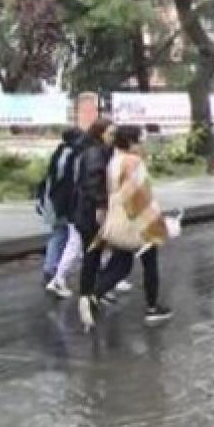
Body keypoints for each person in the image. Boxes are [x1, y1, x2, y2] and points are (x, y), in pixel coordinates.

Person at [83, 125, 174, 327]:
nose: (142, 145)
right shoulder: (133, 162)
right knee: (150, 263)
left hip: (118, 219)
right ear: (131, 142)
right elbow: (140, 195)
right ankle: (152, 308)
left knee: (121, 263)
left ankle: (94, 295)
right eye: (139, 141)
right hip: (138, 221)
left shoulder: (115, 161)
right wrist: (156, 222)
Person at [74, 118, 115, 326]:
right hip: (90, 213)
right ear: (100, 133)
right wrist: (100, 206)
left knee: (94, 254)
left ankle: (91, 292)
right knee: (91, 254)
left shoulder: (96, 151)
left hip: (87, 212)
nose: (113, 137)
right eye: (111, 133)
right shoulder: (94, 153)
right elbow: (93, 181)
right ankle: (87, 294)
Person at [38, 127, 83, 296]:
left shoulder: (62, 152)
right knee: (60, 234)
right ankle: (51, 271)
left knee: (61, 235)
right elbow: (64, 182)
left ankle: (52, 270)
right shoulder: (68, 155)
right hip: (59, 203)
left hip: (55, 201)